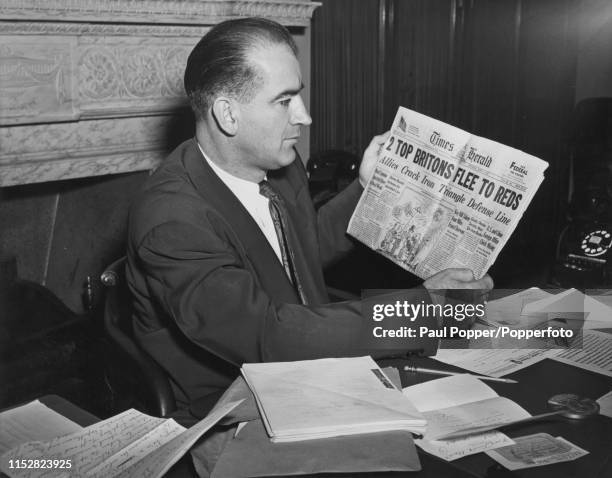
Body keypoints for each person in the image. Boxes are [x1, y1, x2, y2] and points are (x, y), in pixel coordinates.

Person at [126, 17, 493, 415]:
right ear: (227, 115)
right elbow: (269, 336)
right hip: (235, 407)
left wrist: (367, 190)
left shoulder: (279, 165)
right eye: (284, 101)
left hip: (315, 367)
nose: (304, 116)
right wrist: (422, 310)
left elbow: (301, 250)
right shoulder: (171, 220)